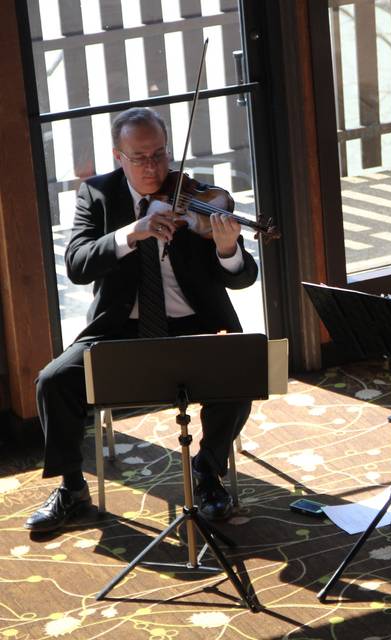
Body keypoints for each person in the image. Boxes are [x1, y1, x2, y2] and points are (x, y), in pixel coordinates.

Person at [25, 107, 258, 533]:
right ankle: (72, 489)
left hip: (195, 324)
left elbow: (244, 277)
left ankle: (207, 472)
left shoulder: (198, 198)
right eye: (140, 157)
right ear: (119, 157)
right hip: (120, 329)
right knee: (52, 381)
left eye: (159, 154)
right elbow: (77, 264)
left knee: (238, 372)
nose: (153, 166)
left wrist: (227, 249)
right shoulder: (96, 195)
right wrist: (133, 232)